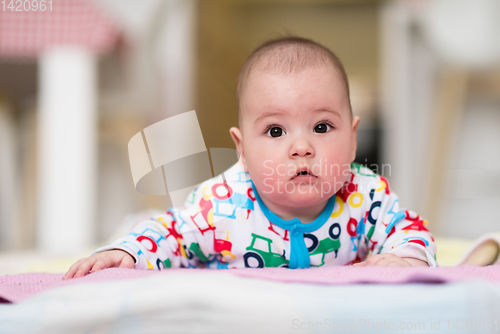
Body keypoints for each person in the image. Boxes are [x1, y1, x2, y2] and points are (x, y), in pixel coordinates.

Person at [63, 37, 437, 280]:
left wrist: (406, 258)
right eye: (276, 131)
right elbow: (172, 235)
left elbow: (410, 230)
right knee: (151, 229)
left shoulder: (366, 197)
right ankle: (128, 229)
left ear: (353, 140)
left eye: (322, 127)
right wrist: (125, 251)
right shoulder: (220, 206)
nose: (301, 147)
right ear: (242, 150)